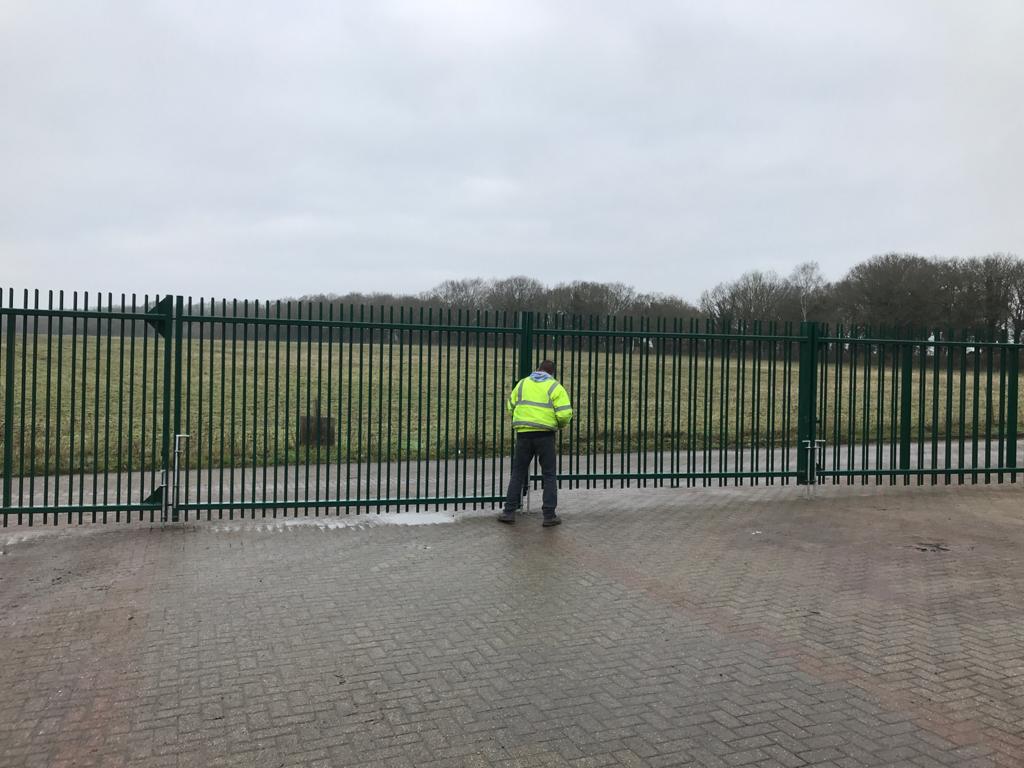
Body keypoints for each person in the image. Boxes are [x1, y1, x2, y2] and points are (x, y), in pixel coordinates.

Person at [497, 360, 573, 527]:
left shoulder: (523, 384)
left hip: (523, 434)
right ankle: (549, 516)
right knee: (549, 475)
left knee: (518, 473)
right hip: (545, 435)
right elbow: (565, 413)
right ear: (552, 373)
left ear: (537, 369)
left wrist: (523, 419)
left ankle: (509, 512)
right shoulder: (555, 387)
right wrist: (558, 425)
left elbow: (510, 406)